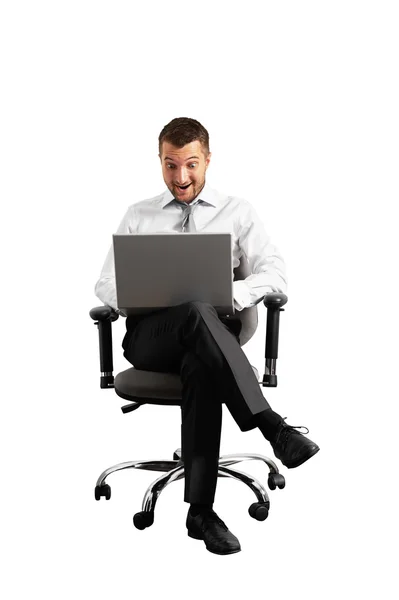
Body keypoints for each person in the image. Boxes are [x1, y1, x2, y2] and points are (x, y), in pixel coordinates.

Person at [95, 117, 320, 555]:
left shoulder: (239, 211)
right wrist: (144, 292)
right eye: (170, 165)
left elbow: (277, 274)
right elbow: (104, 283)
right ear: (159, 161)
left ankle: (200, 513)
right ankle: (272, 426)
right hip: (152, 337)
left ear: (208, 160)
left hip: (214, 335)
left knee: (203, 357)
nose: (181, 178)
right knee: (195, 315)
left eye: (191, 165)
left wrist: (232, 292)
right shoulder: (138, 214)